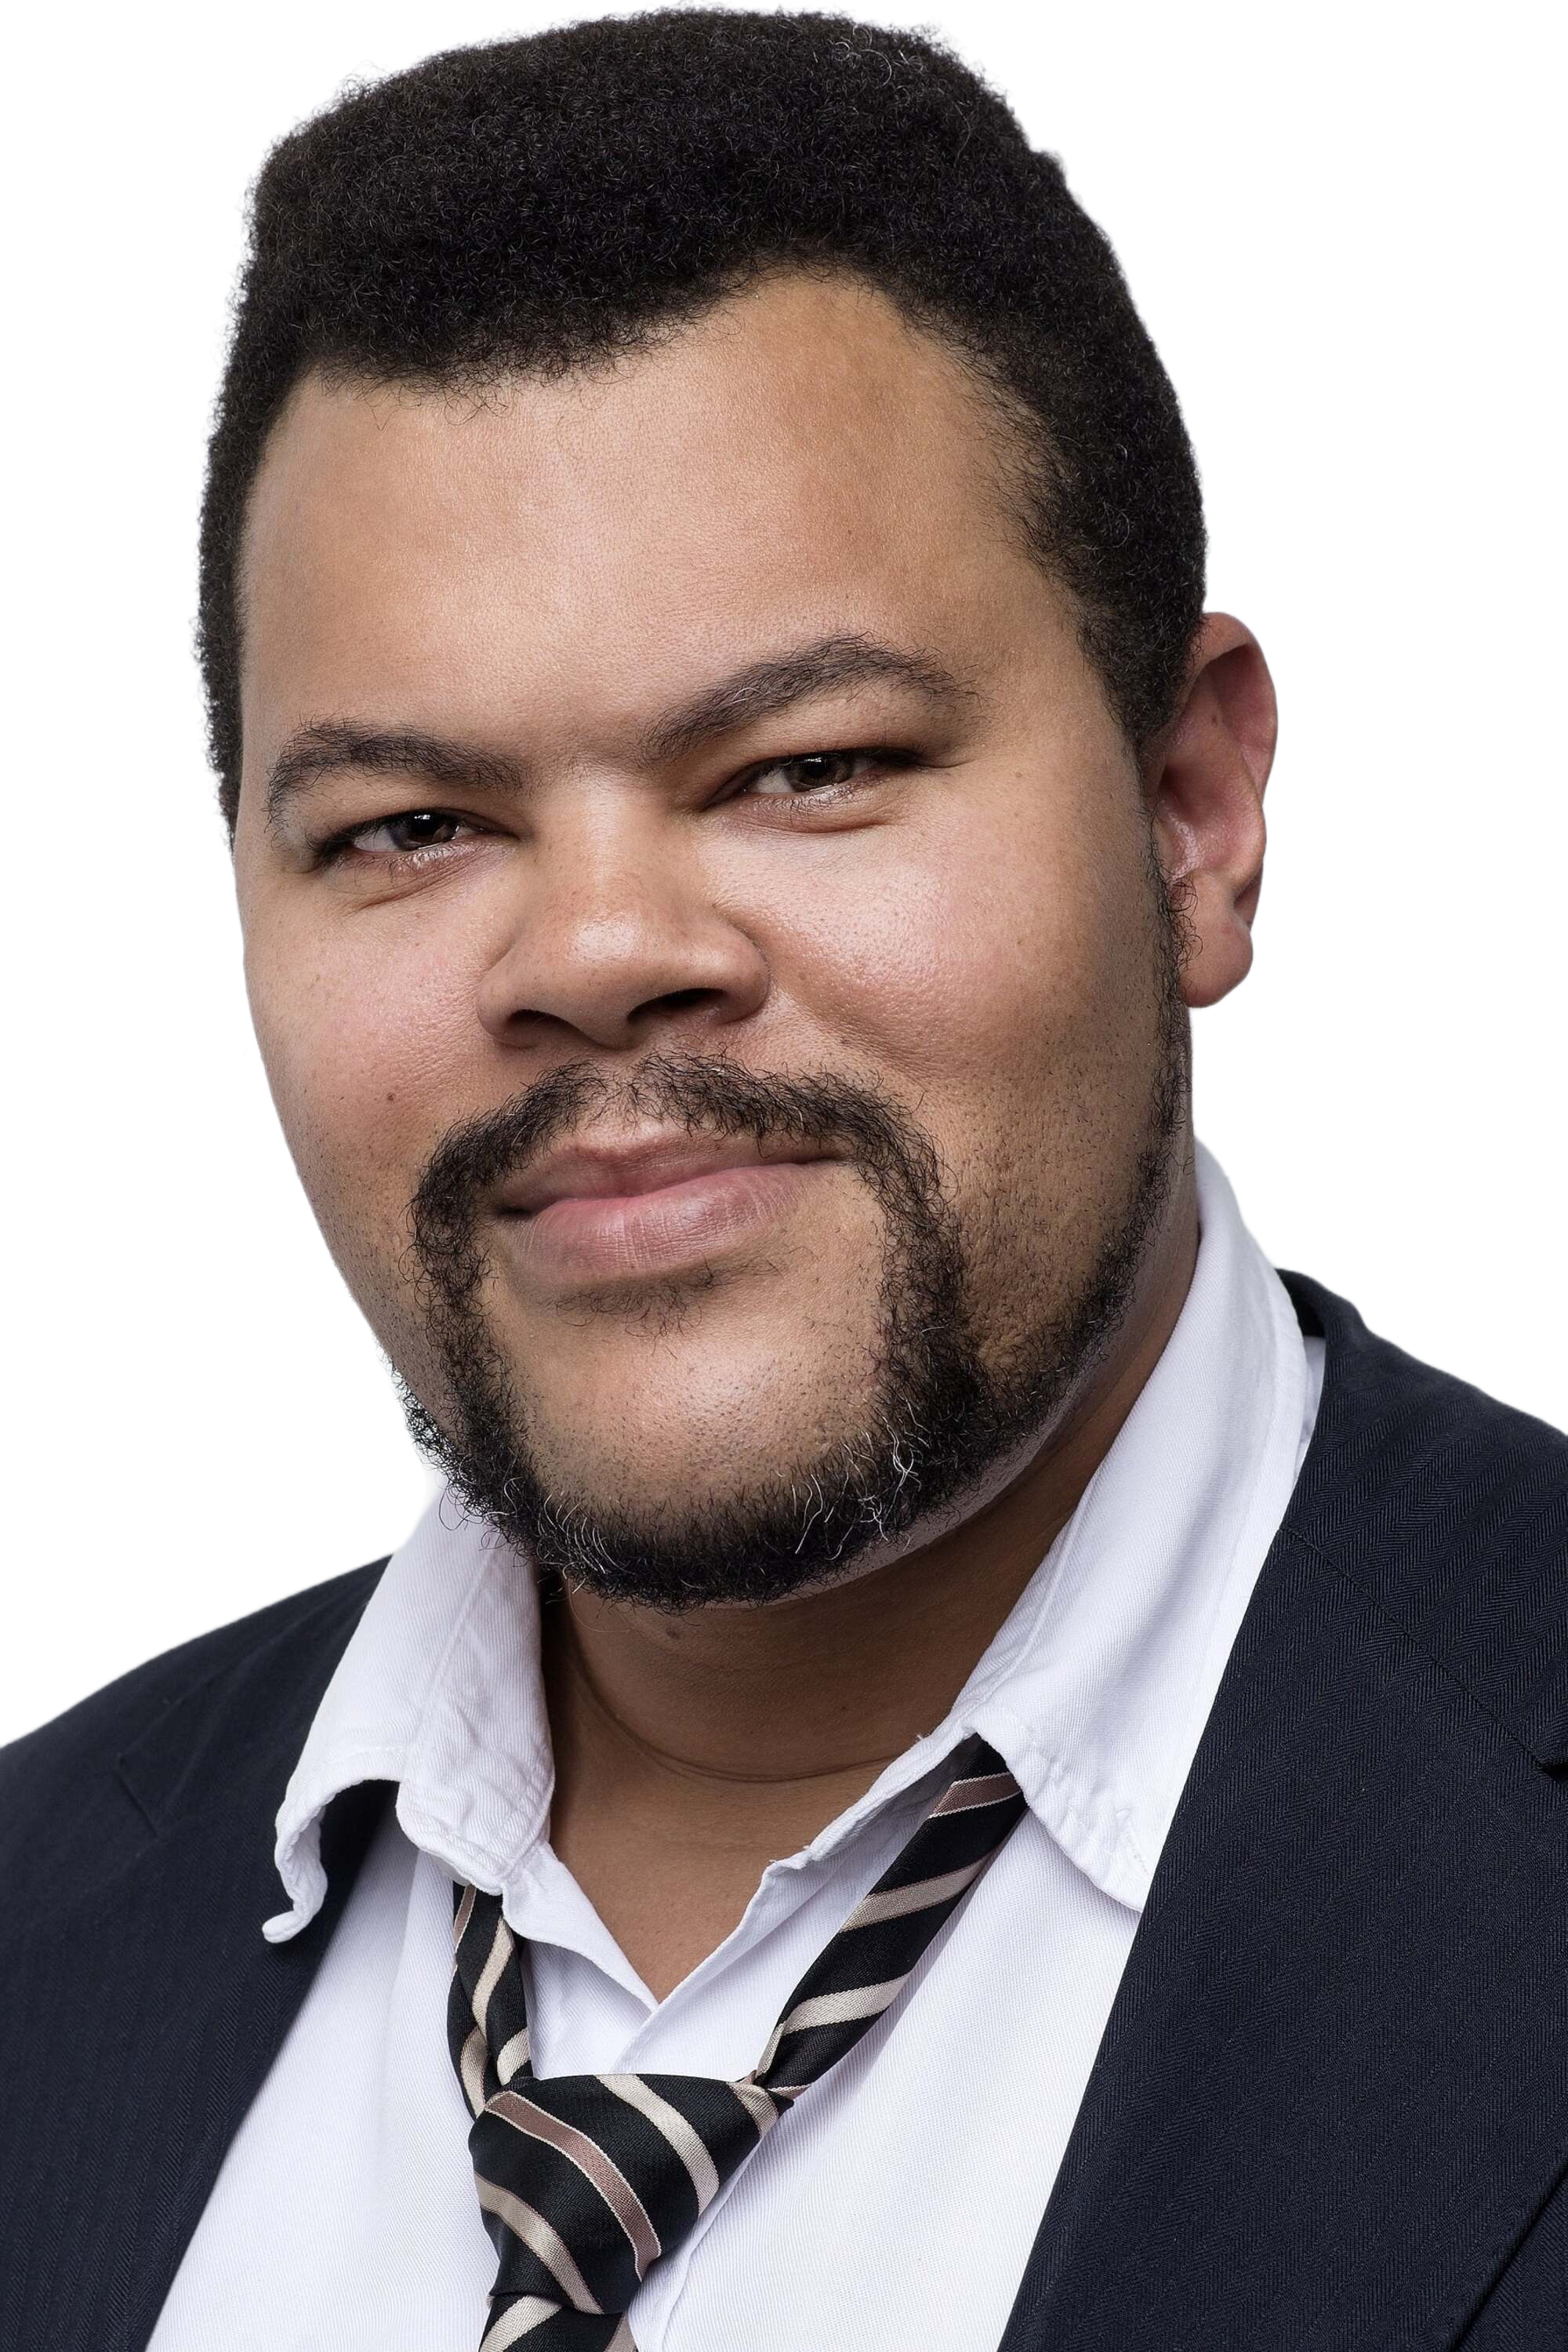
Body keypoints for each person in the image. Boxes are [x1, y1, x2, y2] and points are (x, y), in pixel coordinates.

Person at [4, 11, 1563, 2350]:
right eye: (411, 825)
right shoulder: (34, 1914)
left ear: (1194, 815)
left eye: (808, 767)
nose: (598, 954)